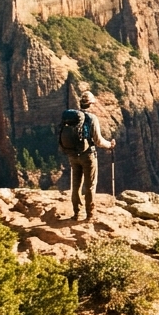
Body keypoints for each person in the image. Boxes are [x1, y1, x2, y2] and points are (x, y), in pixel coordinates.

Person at [67, 91, 114, 221]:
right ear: (91, 104)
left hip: (72, 155)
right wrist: (110, 145)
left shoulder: (72, 116)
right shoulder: (92, 118)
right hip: (88, 156)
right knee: (90, 185)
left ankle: (76, 213)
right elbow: (98, 141)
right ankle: (90, 215)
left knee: (75, 184)